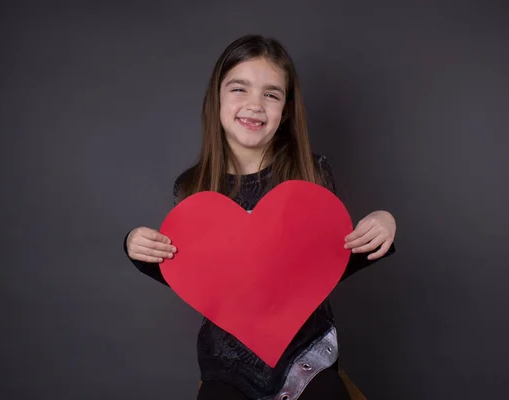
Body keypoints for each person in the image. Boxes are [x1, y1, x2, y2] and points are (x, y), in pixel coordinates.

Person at [123, 34, 397, 400]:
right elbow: (194, 278)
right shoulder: (191, 189)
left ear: (285, 110)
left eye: (271, 94)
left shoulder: (312, 175)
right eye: (239, 88)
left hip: (309, 359)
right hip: (227, 367)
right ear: (216, 98)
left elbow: (330, 263)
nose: (254, 105)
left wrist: (382, 225)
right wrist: (136, 247)